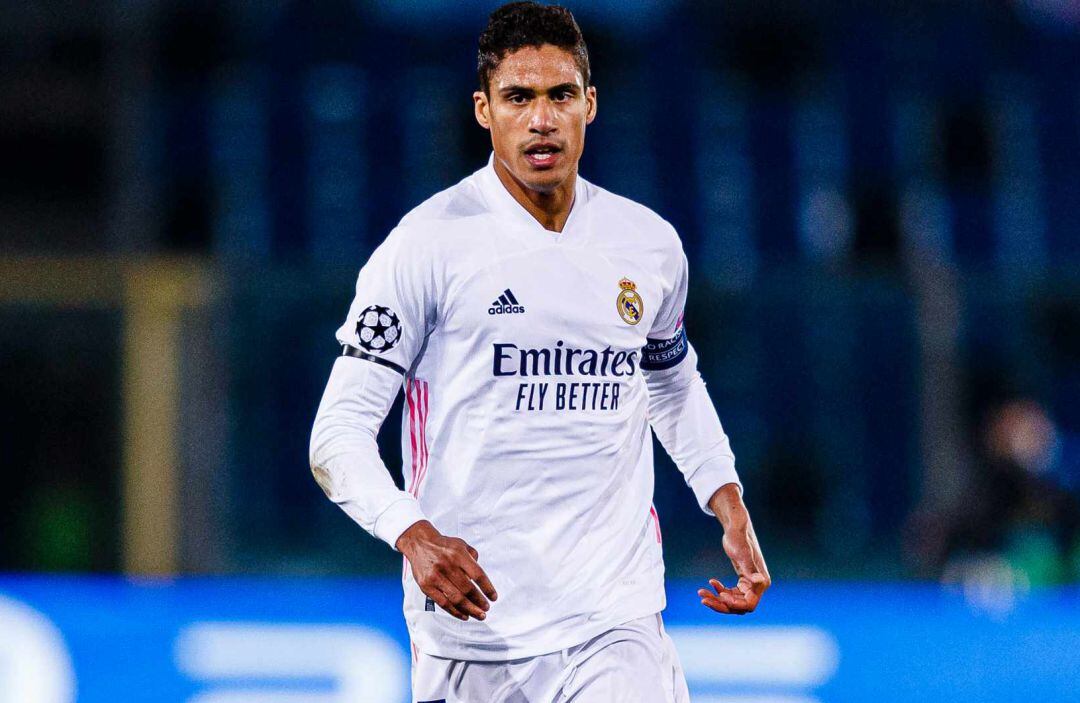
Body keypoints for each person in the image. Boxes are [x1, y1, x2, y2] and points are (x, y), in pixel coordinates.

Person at [309, 3, 770, 700]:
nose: (541, 118)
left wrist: (725, 497)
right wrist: (411, 532)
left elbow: (671, 381)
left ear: (590, 103)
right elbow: (336, 435)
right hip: (474, 628)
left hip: (614, 618)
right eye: (518, 97)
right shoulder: (425, 246)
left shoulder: (646, 245)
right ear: (483, 111)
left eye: (559, 95)